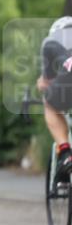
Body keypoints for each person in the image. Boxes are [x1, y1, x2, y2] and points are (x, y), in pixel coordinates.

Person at [38, 16, 72, 187]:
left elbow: (47, 81)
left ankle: (65, 152)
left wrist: (41, 84)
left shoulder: (50, 42)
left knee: (49, 104)